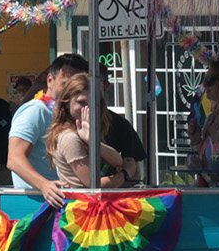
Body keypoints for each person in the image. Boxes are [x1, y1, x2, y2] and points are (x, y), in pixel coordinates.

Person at [8, 54, 148, 201]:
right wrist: (44, 185)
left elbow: (117, 161)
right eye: (67, 84)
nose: (72, 89)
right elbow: (14, 158)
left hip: (64, 201)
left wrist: (91, 141)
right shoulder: (36, 111)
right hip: (41, 203)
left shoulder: (75, 119)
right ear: (50, 80)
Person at [46, 74, 129, 189]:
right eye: (81, 102)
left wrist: (91, 141)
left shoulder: (82, 133)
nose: (88, 108)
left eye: (93, 103)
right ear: (66, 103)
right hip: (80, 204)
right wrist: (126, 174)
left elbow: (118, 161)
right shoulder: (69, 138)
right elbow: (93, 184)